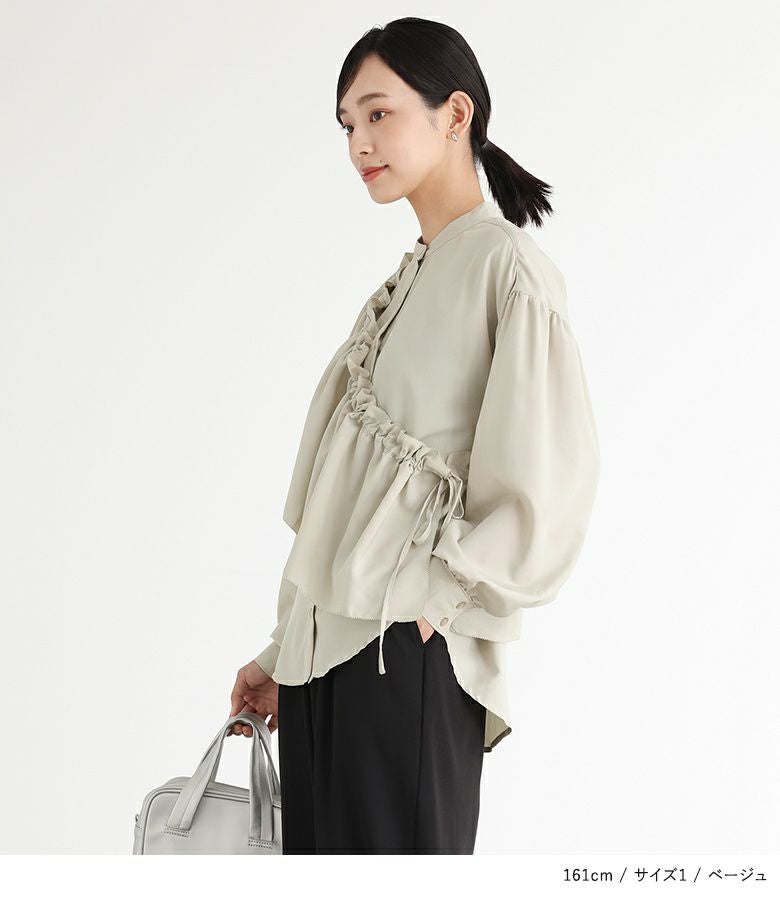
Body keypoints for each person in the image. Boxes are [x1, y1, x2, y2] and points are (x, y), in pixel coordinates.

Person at [227, 16, 600, 853]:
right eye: (347, 125)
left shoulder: (506, 269)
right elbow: (349, 496)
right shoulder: (406, 280)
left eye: (378, 113)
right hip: (321, 666)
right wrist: (285, 651)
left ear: (455, 113)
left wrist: (437, 606)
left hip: (405, 654)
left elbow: (546, 490)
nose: (359, 142)